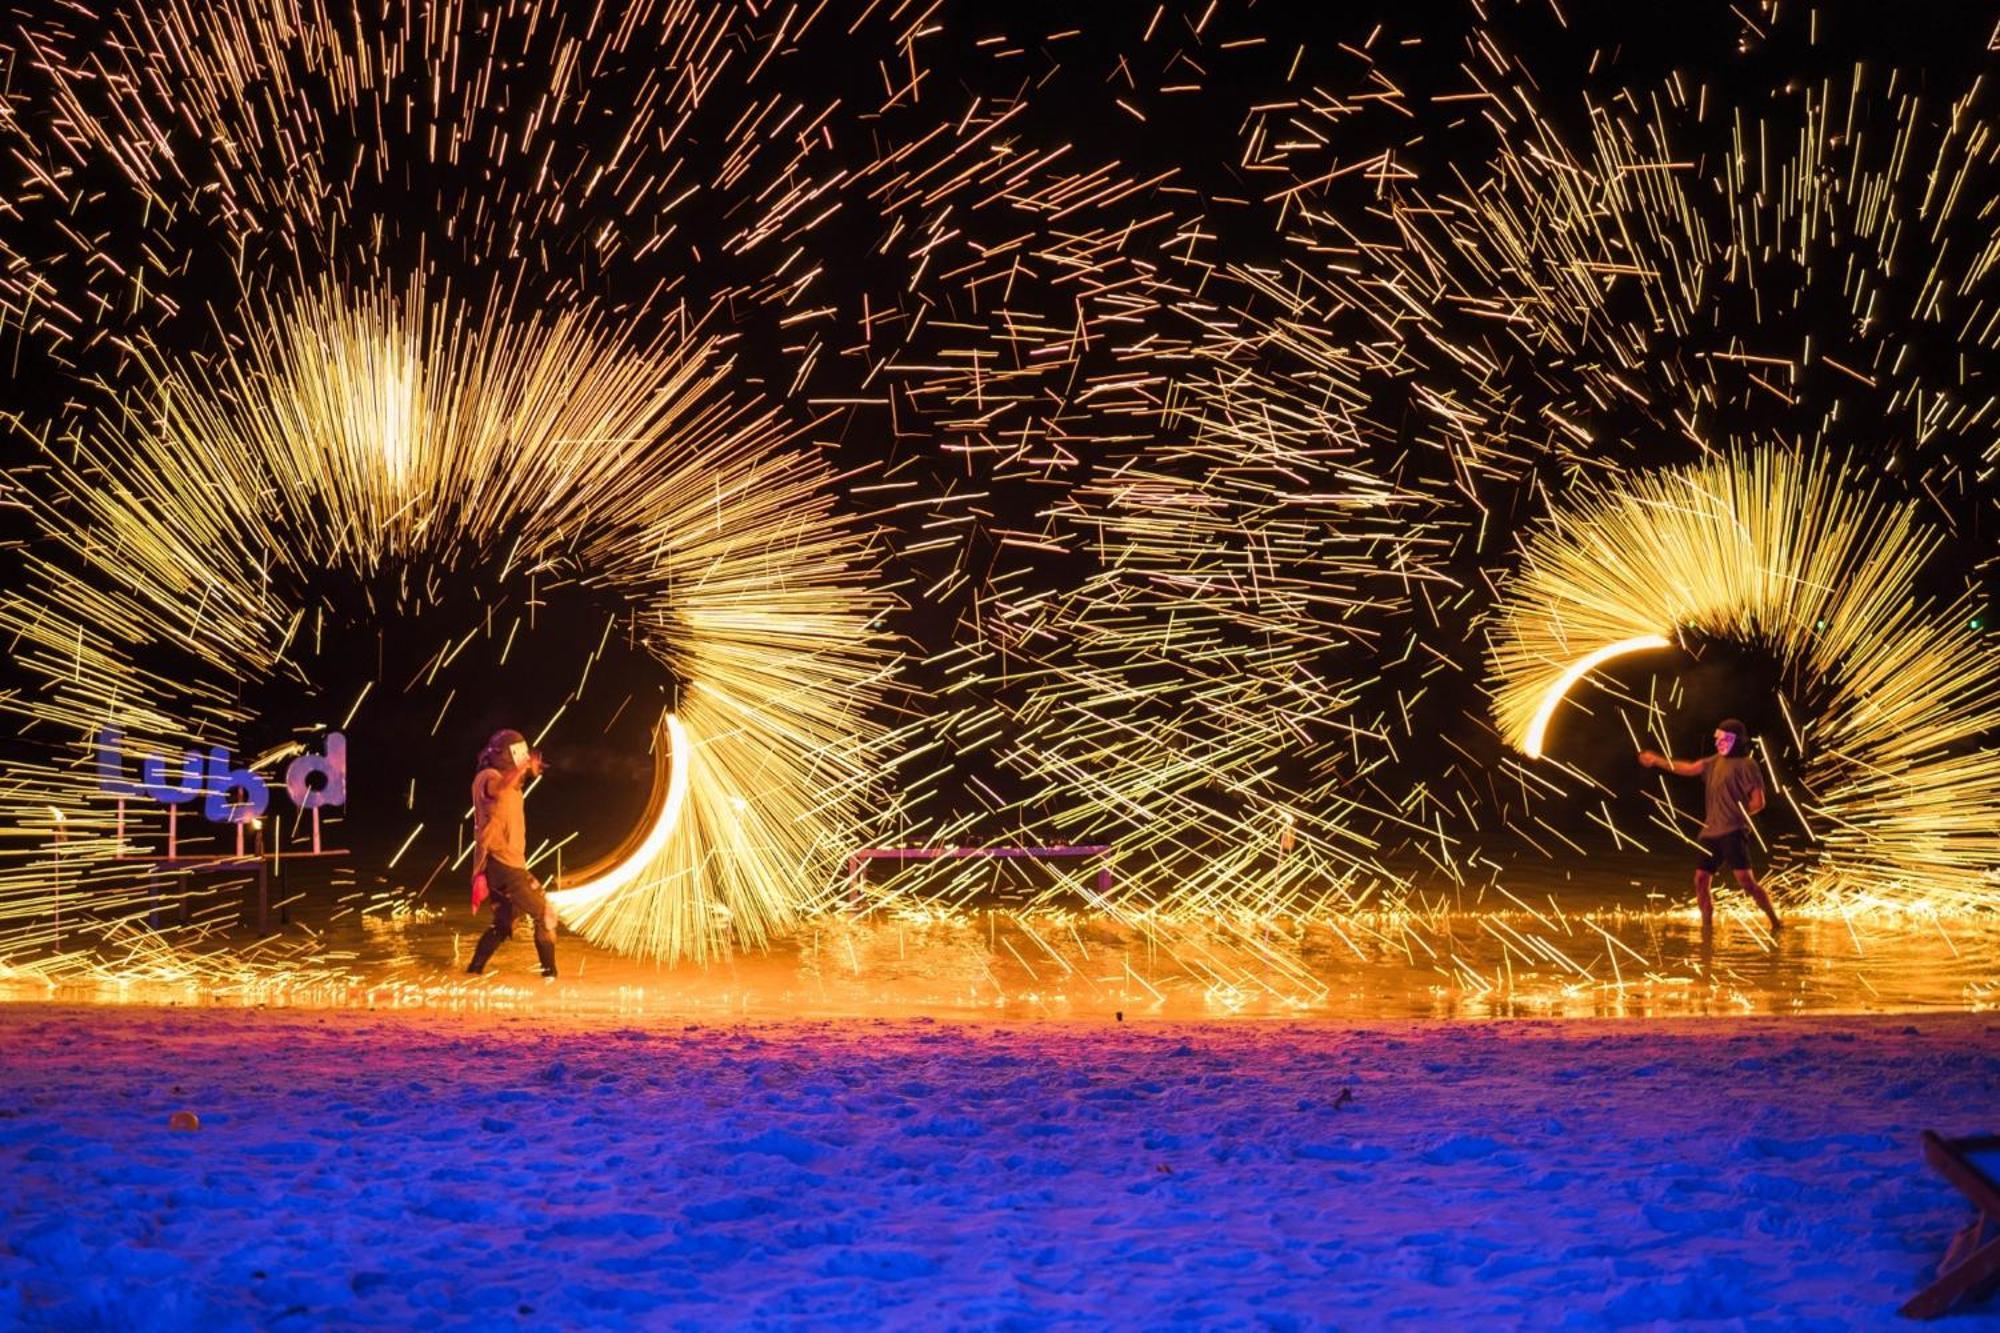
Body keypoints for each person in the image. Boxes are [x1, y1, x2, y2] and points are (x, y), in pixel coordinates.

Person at [1638, 718, 1782, 933]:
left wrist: (1740, 813)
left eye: (1723, 739)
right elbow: (1688, 768)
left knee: (1746, 882)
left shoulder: (1747, 765)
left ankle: (1775, 921)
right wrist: (1658, 760)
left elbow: (1759, 801)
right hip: (1711, 832)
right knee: (1701, 879)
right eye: (1718, 739)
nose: (1718, 743)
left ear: (1735, 741)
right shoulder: (1715, 761)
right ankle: (1707, 928)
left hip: (1733, 832)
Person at [466, 728, 558, 978]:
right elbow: (498, 788)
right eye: (519, 755)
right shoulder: (487, 777)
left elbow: (512, 785)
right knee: (546, 914)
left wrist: (530, 768)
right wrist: (522, 768)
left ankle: (472, 973)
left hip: (506, 865)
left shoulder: (505, 777)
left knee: (504, 924)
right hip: (504, 867)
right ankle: (551, 978)